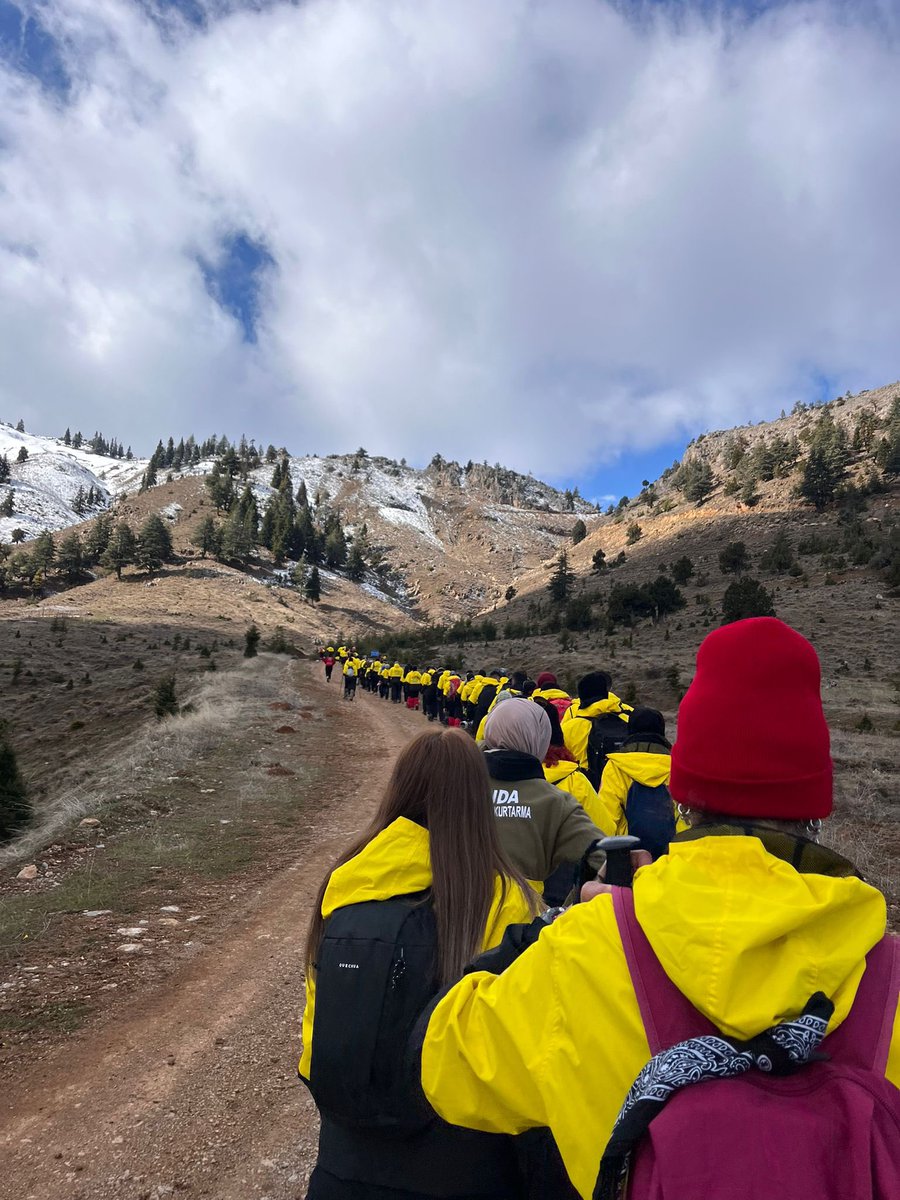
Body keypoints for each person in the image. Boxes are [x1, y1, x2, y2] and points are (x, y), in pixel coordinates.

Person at [417, 618, 900, 1199]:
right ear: (815, 801)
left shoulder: (589, 947)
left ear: (683, 793)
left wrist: (550, 928)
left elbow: (444, 1065)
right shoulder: (889, 981)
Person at [300, 728, 541, 1200]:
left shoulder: (347, 878)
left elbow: (317, 1012)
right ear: (479, 799)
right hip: (458, 1156)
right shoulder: (502, 898)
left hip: (344, 1149)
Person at [482, 698, 605, 890]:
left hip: (455, 909)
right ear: (540, 739)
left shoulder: (455, 782)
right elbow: (603, 857)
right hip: (525, 913)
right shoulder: (557, 802)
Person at [597, 707, 684, 857]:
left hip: (630, 856)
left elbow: (607, 818)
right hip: (671, 856)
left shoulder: (616, 766)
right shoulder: (677, 766)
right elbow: (684, 816)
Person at [561, 671, 632, 787]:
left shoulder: (569, 728)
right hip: (622, 789)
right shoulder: (628, 719)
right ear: (606, 693)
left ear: (581, 697)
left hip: (586, 791)